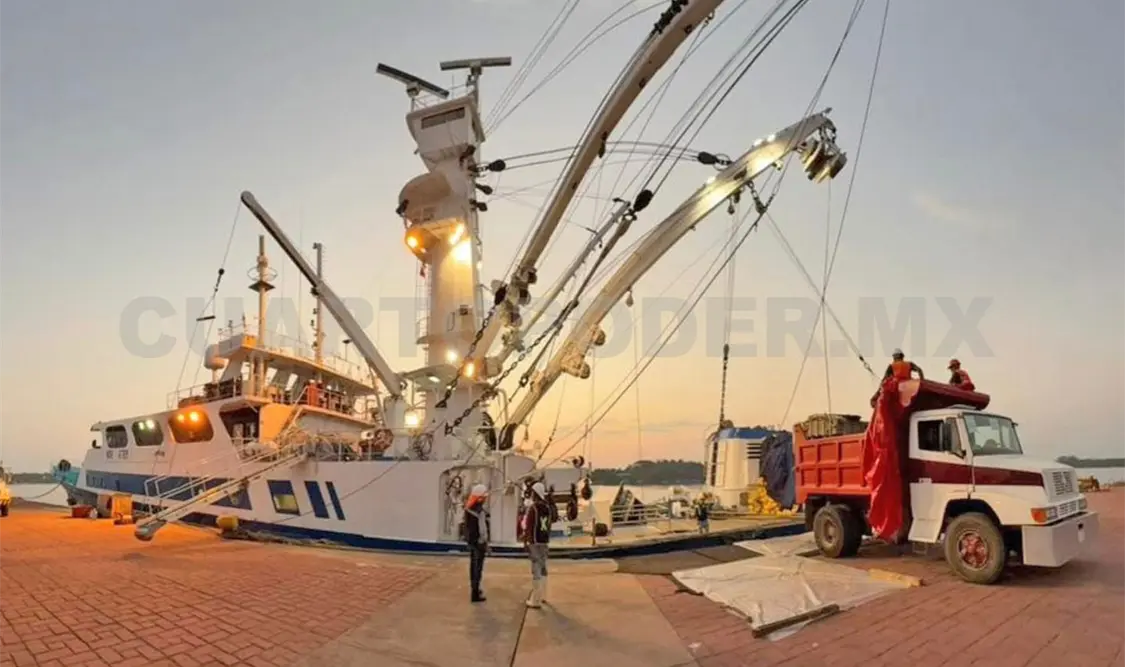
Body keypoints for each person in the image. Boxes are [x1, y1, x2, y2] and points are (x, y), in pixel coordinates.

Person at [519, 481, 553, 609]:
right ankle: (543, 596)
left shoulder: (533, 508)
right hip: (544, 541)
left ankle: (536, 600)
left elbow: (529, 526)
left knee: (536, 570)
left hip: (534, 541)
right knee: (544, 567)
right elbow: (549, 525)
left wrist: (526, 541)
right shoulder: (547, 508)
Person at [463, 483, 491, 603]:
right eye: (484, 497)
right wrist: (485, 542)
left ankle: (474, 589)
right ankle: (475, 594)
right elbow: (482, 529)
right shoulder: (480, 511)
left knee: (473, 567)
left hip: (471, 542)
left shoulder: (468, 509)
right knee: (478, 568)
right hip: (479, 543)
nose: (485, 499)